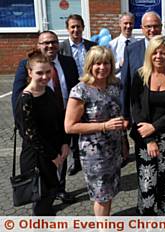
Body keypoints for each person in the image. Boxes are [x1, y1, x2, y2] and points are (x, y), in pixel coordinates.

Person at [11, 31, 78, 204]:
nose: (45, 77)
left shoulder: (48, 87)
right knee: (41, 201)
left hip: (58, 135)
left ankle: (60, 191)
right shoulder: (26, 96)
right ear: (30, 72)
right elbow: (30, 131)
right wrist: (52, 156)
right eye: (40, 73)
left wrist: (64, 143)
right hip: (38, 151)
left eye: (48, 73)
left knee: (52, 187)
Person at [64, 46, 128, 216]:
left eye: (106, 63)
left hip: (113, 150)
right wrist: (104, 126)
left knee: (110, 192)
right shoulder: (80, 90)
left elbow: (118, 117)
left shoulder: (115, 85)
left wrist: (123, 143)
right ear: (89, 65)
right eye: (97, 63)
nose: (102, 67)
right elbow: (70, 126)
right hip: (94, 154)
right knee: (101, 196)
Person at [130, 35, 165, 216]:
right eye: (155, 52)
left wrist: (154, 127)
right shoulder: (140, 76)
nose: (159, 56)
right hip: (145, 139)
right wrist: (149, 138)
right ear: (149, 54)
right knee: (147, 182)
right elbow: (135, 108)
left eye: (163, 53)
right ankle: (147, 217)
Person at [121, 11, 165, 122]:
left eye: (156, 26)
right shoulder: (131, 50)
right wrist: (125, 115)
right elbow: (125, 83)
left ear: (161, 27)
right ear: (141, 28)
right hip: (139, 117)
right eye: (148, 26)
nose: (152, 30)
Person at [59, 14, 97, 177]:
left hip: (91, 91)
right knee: (72, 128)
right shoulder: (61, 47)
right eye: (72, 27)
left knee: (90, 124)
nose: (75, 29)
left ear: (83, 27)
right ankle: (76, 161)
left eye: (78, 26)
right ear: (68, 29)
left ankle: (90, 156)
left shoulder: (92, 46)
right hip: (71, 93)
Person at [109, 12, 138, 79]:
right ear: (120, 24)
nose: (128, 26)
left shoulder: (138, 45)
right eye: (125, 23)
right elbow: (108, 68)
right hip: (117, 82)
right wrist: (119, 64)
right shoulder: (112, 45)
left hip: (134, 82)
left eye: (131, 23)